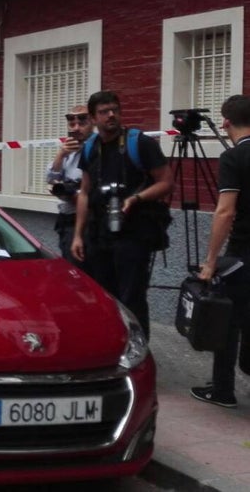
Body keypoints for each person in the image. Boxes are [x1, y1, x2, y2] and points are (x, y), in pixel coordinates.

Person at [71, 90, 173, 338]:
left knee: (132, 297)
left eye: (115, 110)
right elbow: (84, 192)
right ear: (93, 118)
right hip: (99, 233)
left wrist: (136, 198)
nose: (111, 115)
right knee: (104, 296)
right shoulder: (89, 149)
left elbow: (166, 182)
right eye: (104, 112)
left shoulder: (139, 143)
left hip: (133, 234)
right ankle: (112, 345)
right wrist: (78, 235)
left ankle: (138, 353)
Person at [192, 95, 250, 408]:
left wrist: (211, 262)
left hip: (244, 253)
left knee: (228, 321)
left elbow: (225, 212)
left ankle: (223, 390)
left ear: (225, 121)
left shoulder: (233, 158)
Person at [46, 104, 94, 268]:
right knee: (71, 269)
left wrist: (74, 196)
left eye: (82, 123)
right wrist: (61, 155)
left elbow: (92, 192)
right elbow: (51, 179)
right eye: (72, 124)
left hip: (88, 222)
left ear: (92, 123)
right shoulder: (69, 149)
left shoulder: (96, 149)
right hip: (66, 221)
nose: (76, 128)